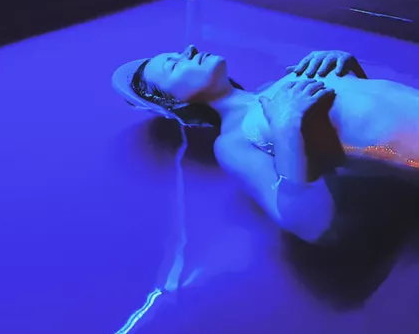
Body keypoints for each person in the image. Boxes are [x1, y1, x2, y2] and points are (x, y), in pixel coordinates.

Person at [112, 46, 419, 245]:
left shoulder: (278, 85)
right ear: (175, 102)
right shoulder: (234, 141)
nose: (190, 49)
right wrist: (288, 128)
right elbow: (310, 225)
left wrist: (349, 71)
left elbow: (366, 130)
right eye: (174, 65)